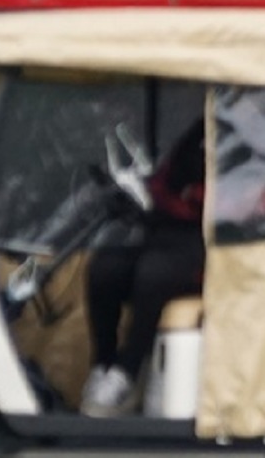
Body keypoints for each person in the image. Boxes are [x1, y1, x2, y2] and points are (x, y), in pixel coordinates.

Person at [80, 118, 206, 417]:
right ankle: (104, 363)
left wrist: (191, 199)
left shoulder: (259, 142)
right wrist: (149, 195)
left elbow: (251, 204)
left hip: (212, 242)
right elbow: (165, 182)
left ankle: (128, 370)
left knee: (154, 273)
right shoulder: (198, 133)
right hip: (166, 231)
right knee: (105, 268)